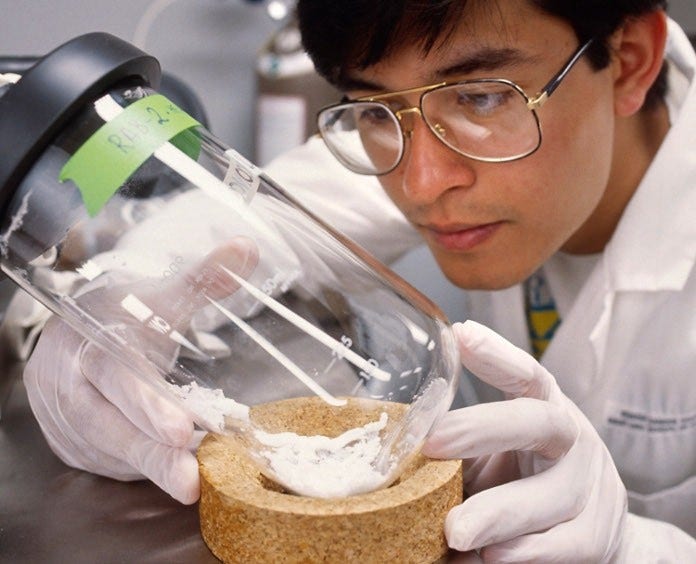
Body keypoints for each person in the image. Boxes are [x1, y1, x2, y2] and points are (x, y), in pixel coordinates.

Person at [20, 0, 695, 561]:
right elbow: (242, 221)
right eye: (374, 110)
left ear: (629, 60)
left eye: (482, 96)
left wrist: (630, 546)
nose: (422, 184)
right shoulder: (432, 142)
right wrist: (100, 314)